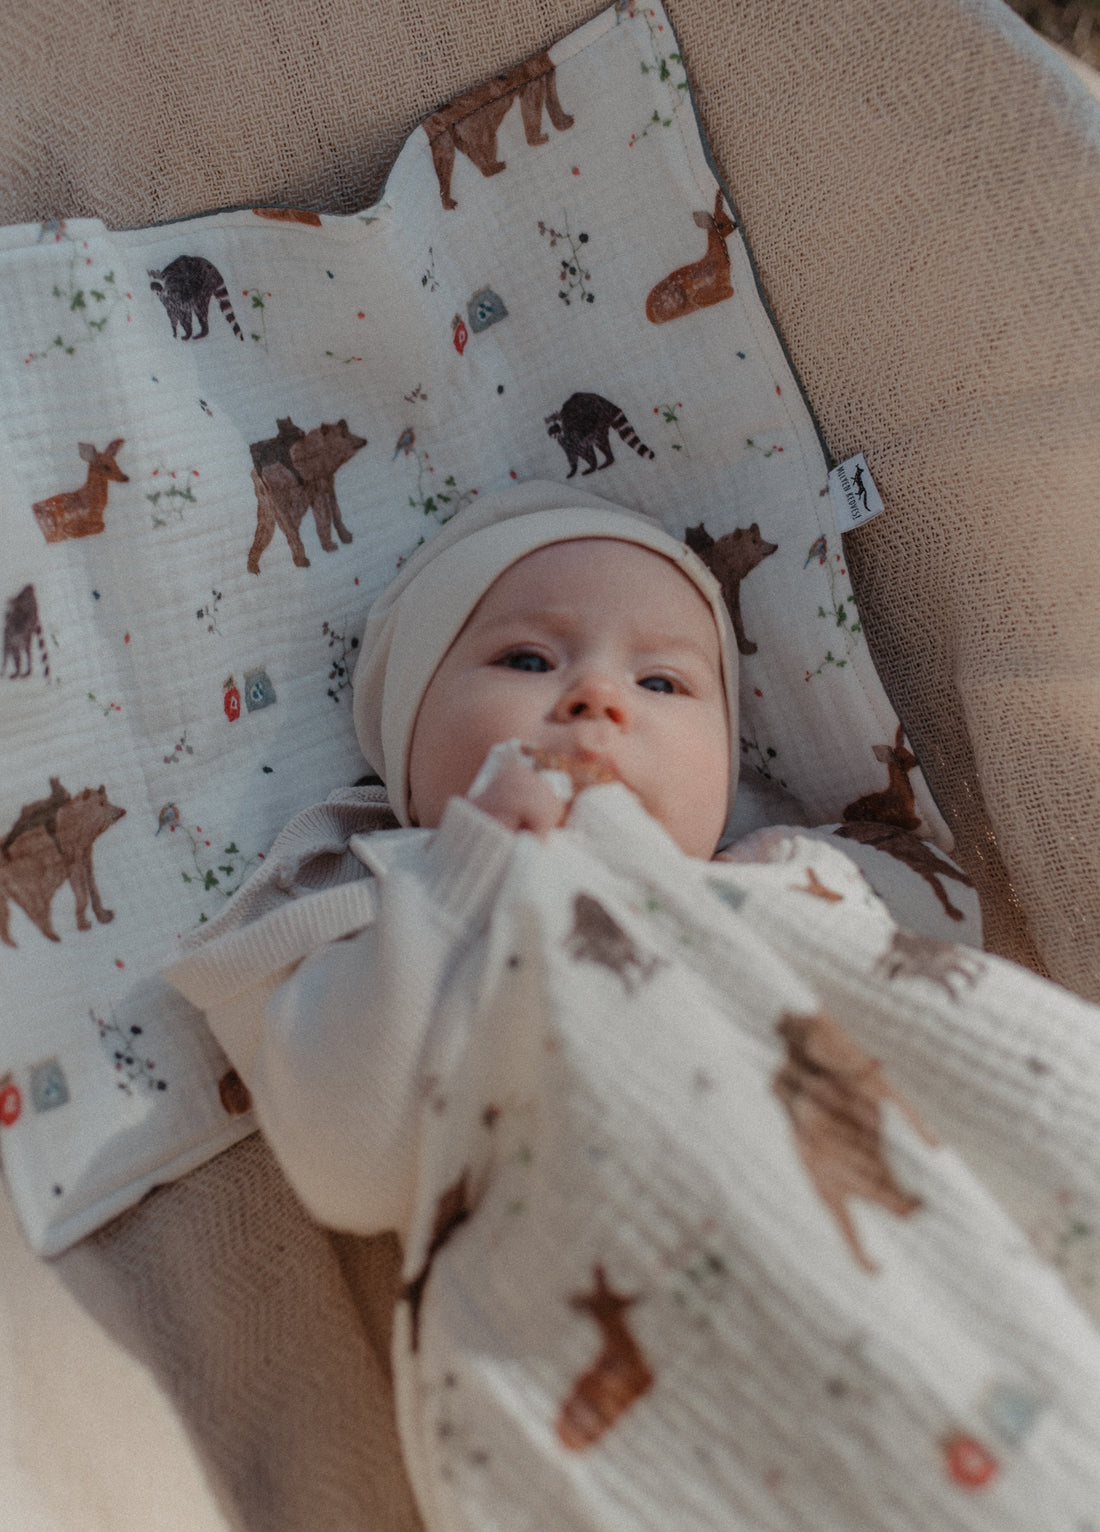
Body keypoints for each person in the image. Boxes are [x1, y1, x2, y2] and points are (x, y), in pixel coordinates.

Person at [167, 481, 1100, 1532]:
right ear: (406, 763)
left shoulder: (776, 874)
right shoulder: (404, 910)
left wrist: (800, 887)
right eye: (528, 659)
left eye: (661, 680)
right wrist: (468, 866)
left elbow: (940, 979)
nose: (597, 697)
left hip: (942, 1272)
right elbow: (348, 1158)